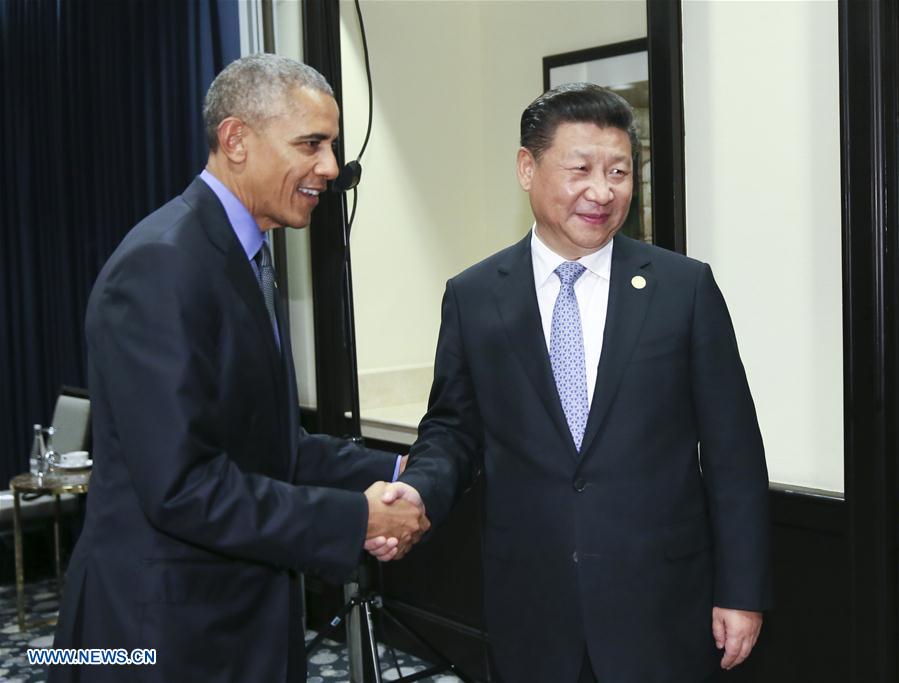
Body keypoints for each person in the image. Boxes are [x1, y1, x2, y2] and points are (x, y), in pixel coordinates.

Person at [369, 83, 772, 682]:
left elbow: (734, 451)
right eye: (580, 169)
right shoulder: (476, 296)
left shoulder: (682, 290)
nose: (602, 192)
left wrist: (742, 590)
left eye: (619, 171)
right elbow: (453, 429)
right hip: (531, 605)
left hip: (662, 607)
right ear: (527, 168)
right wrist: (421, 491)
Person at [49, 54, 428, 683]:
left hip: (237, 620)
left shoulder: (243, 254)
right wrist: (356, 518)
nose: (331, 168)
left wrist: (397, 470)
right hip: (160, 637)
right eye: (312, 144)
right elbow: (183, 486)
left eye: (331, 145)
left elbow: (266, 446)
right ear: (236, 140)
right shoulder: (163, 266)